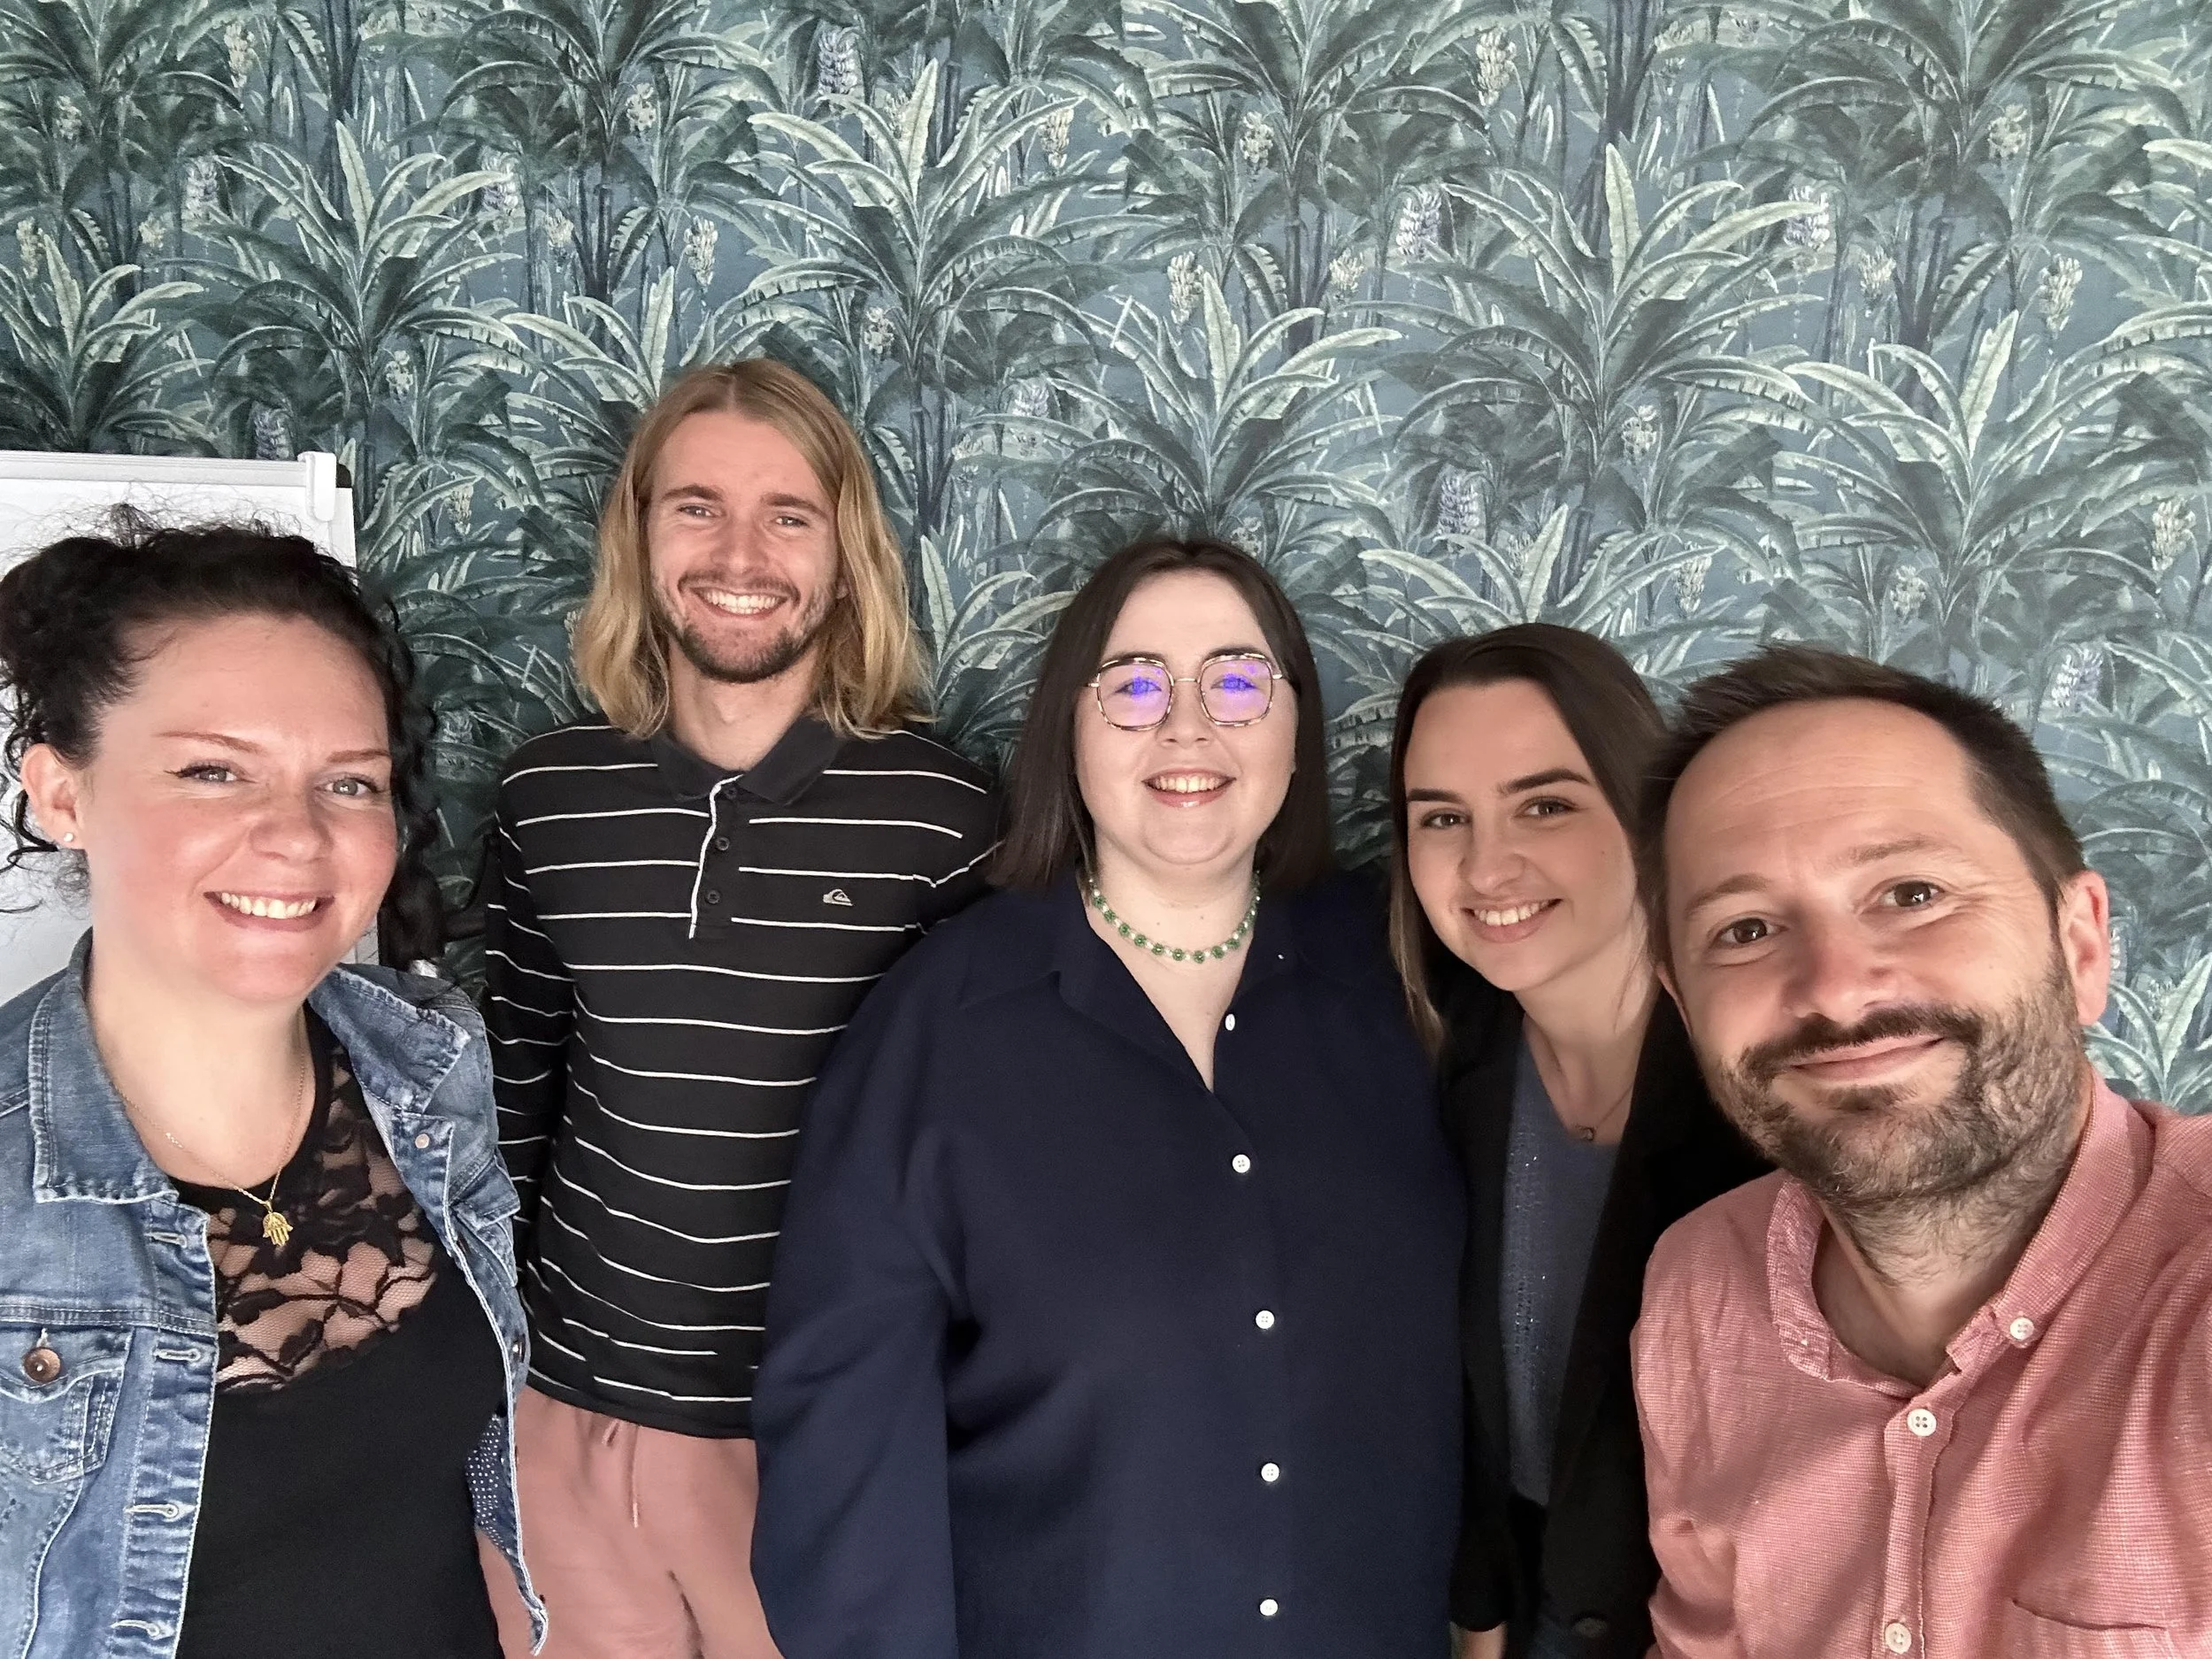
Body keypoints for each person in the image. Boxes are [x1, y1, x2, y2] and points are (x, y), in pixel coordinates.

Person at [749, 536, 1463, 1659]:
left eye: (1236, 680)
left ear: (1294, 724)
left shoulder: (1404, 980)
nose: (1188, 726)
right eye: (1133, 684)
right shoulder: (946, 1021)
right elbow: (844, 1434)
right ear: (1068, 728)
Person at [480, 357, 999, 1658]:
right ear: (641, 533)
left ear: (844, 552)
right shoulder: (549, 794)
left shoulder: (945, 818)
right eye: (697, 505)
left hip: (821, 1441)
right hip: (568, 1423)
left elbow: (975, 1164)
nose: (740, 552)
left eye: (790, 513)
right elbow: (509, 1105)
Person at [0, 522, 538, 1659]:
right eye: (213, 770)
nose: (296, 836)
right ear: (62, 792)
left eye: (347, 781)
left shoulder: (428, 1066)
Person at [1631, 644, 2212, 1658]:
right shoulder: (1695, 1289)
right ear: (1683, 1006)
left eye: (1911, 894)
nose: (1838, 990)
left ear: (2077, 942)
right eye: (1746, 928)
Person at [1386, 627, 1764, 1659]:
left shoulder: (1764, 1092)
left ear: (1646, 813)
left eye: (1544, 804)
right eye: (1442, 818)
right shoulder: (1445, 1067)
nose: (1486, 863)